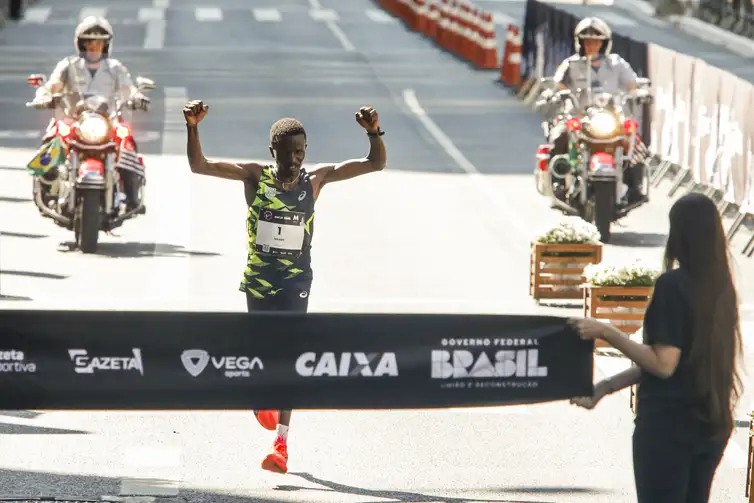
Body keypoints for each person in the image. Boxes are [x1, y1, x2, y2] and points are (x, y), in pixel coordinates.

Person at [182, 99, 387, 474]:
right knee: (262, 350)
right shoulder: (254, 177)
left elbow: (374, 163)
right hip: (260, 279)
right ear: (272, 151)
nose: (294, 159)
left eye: (300, 152)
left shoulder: (316, 180)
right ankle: (262, 400)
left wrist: (373, 132)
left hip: (296, 280)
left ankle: (281, 443)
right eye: (287, 153)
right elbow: (201, 166)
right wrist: (193, 128)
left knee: (290, 354)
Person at [569, 192, 744, 503]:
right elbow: (674, 361)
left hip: (668, 428)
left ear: (679, 235)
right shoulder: (722, 287)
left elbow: (663, 364)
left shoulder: (672, 286)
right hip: (712, 424)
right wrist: (607, 387)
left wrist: (608, 331)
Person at [28, 15, 151, 212]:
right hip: (73, 119)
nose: (94, 47)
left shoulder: (116, 68)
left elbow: (129, 88)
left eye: (99, 42)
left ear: (106, 45)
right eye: (89, 42)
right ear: (80, 44)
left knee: (127, 145)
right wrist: (43, 96)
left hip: (107, 122)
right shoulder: (68, 66)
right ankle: (47, 192)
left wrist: (138, 97)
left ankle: (131, 196)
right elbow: (50, 87)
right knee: (51, 141)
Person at [548, 16, 648, 205]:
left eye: (596, 41)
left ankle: (635, 187)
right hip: (579, 116)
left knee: (634, 142)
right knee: (559, 136)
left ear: (604, 43)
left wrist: (639, 93)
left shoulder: (617, 63)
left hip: (610, 117)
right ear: (580, 42)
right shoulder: (571, 64)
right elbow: (557, 82)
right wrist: (559, 93)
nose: (591, 45)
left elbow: (632, 84)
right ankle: (558, 183)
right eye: (587, 41)